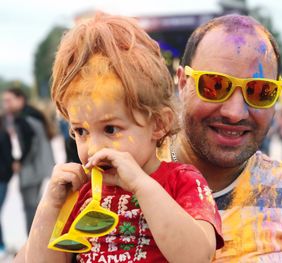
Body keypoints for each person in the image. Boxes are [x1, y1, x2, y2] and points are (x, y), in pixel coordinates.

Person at [14, 12, 223, 263]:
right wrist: (50, 205)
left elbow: (197, 256)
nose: (93, 148)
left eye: (111, 129)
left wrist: (139, 183)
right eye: (80, 131)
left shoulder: (183, 182)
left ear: (158, 124)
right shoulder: (80, 194)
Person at [160, 14, 282, 262]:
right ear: (182, 82)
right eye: (215, 85)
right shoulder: (125, 180)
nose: (235, 113)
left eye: (260, 92)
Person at [2, 87, 55, 234]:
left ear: (20, 99)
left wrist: (19, 161)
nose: (6, 104)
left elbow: (30, 144)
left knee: (30, 208)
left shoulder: (24, 118)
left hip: (30, 170)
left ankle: (32, 246)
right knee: (35, 207)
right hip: (39, 168)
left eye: (9, 100)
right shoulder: (34, 114)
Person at [0, 118, 14, 259]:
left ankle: (2, 245)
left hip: (2, 179)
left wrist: (7, 176)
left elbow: (8, 158)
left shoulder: (3, 134)